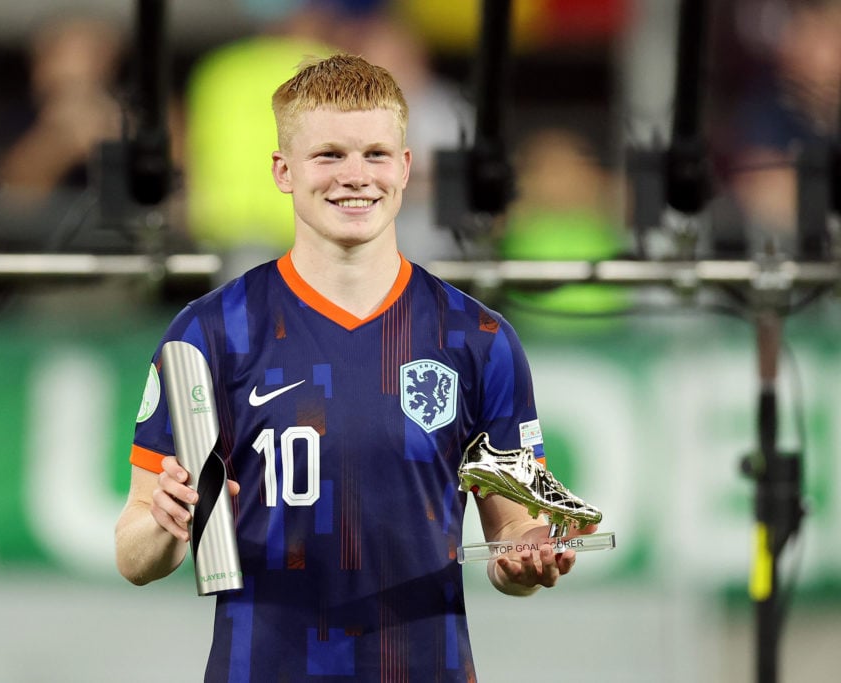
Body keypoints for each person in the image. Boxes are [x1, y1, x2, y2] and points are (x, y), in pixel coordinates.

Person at [115, 53, 599, 681]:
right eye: (329, 155)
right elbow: (133, 555)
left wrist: (526, 562)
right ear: (283, 171)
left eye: (375, 154)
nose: (354, 176)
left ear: (405, 166)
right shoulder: (211, 333)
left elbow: (515, 536)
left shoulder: (478, 339)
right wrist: (166, 524)